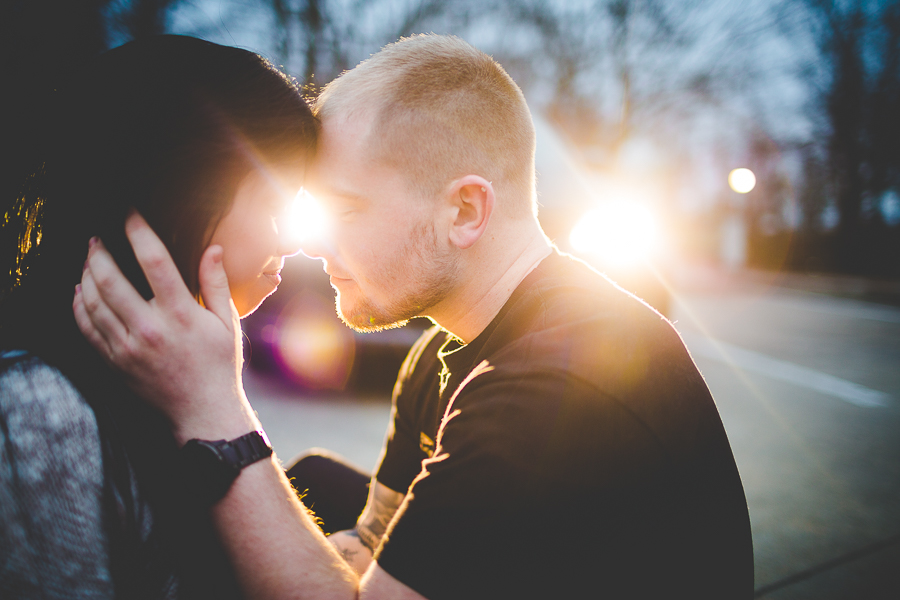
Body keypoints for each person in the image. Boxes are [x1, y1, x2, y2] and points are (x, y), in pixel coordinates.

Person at [75, 34, 754, 599]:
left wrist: (212, 412)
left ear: (464, 211)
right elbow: (369, 547)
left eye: (344, 210)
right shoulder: (439, 355)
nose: (311, 243)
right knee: (309, 481)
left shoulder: (559, 388)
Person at [0, 35, 331, 598]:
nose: (290, 243)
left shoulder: (168, 374)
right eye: (276, 206)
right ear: (186, 190)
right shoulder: (38, 407)